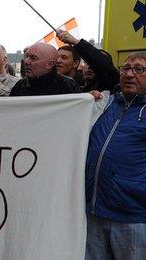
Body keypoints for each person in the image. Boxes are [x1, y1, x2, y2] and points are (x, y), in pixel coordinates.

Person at [84, 51, 146, 260]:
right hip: (94, 211)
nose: (129, 74)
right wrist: (84, 103)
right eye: (126, 68)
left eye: (139, 69)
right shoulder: (106, 104)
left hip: (133, 217)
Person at [10, 42, 80, 96]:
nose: (26, 61)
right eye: (27, 56)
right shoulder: (20, 86)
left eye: (33, 58)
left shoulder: (68, 86)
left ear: (49, 64)